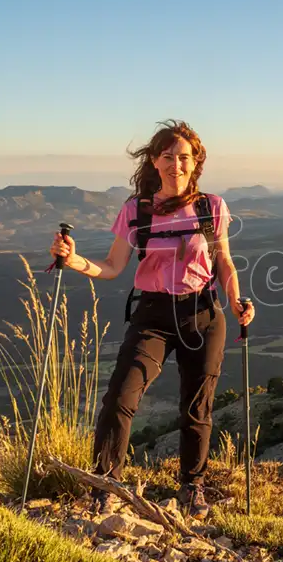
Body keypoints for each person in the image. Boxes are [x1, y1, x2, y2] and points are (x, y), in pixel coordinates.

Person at [49, 119, 254, 518]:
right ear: (155, 162)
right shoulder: (136, 210)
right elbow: (111, 267)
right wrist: (72, 260)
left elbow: (223, 260)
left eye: (184, 158)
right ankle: (105, 484)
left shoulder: (212, 207)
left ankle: (191, 486)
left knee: (197, 407)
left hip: (204, 312)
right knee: (120, 397)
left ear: (196, 163)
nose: (176, 164)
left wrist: (236, 299)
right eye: (168, 157)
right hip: (154, 313)